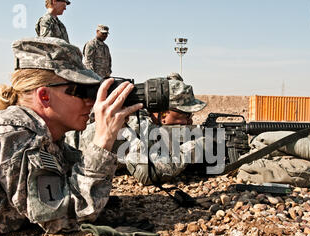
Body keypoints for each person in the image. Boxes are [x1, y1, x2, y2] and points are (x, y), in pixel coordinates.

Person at [0, 37, 142, 236]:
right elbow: (62, 217)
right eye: (82, 91)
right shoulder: (15, 137)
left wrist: (112, 136)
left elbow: (70, 177)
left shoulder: (44, 134)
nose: (91, 102)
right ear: (44, 96)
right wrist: (102, 140)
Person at [66, 73, 207, 186]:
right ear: (162, 114)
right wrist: (195, 147)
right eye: (185, 114)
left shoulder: (147, 123)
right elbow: (148, 172)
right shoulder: (134, 123)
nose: (189, 121)